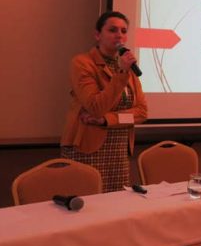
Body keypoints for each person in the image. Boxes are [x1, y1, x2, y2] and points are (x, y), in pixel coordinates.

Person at [60, 11, 147, 192]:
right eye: (112, 30)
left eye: (123, 31)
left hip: (119, 152)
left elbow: (141, 112)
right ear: (97, 35)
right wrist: (121, 73)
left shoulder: (127, 67)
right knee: (89, 203)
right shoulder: (82, 63)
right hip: (88, 149)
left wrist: (107, 120)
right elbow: (96, 107)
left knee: (117, 204)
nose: (119, 35)